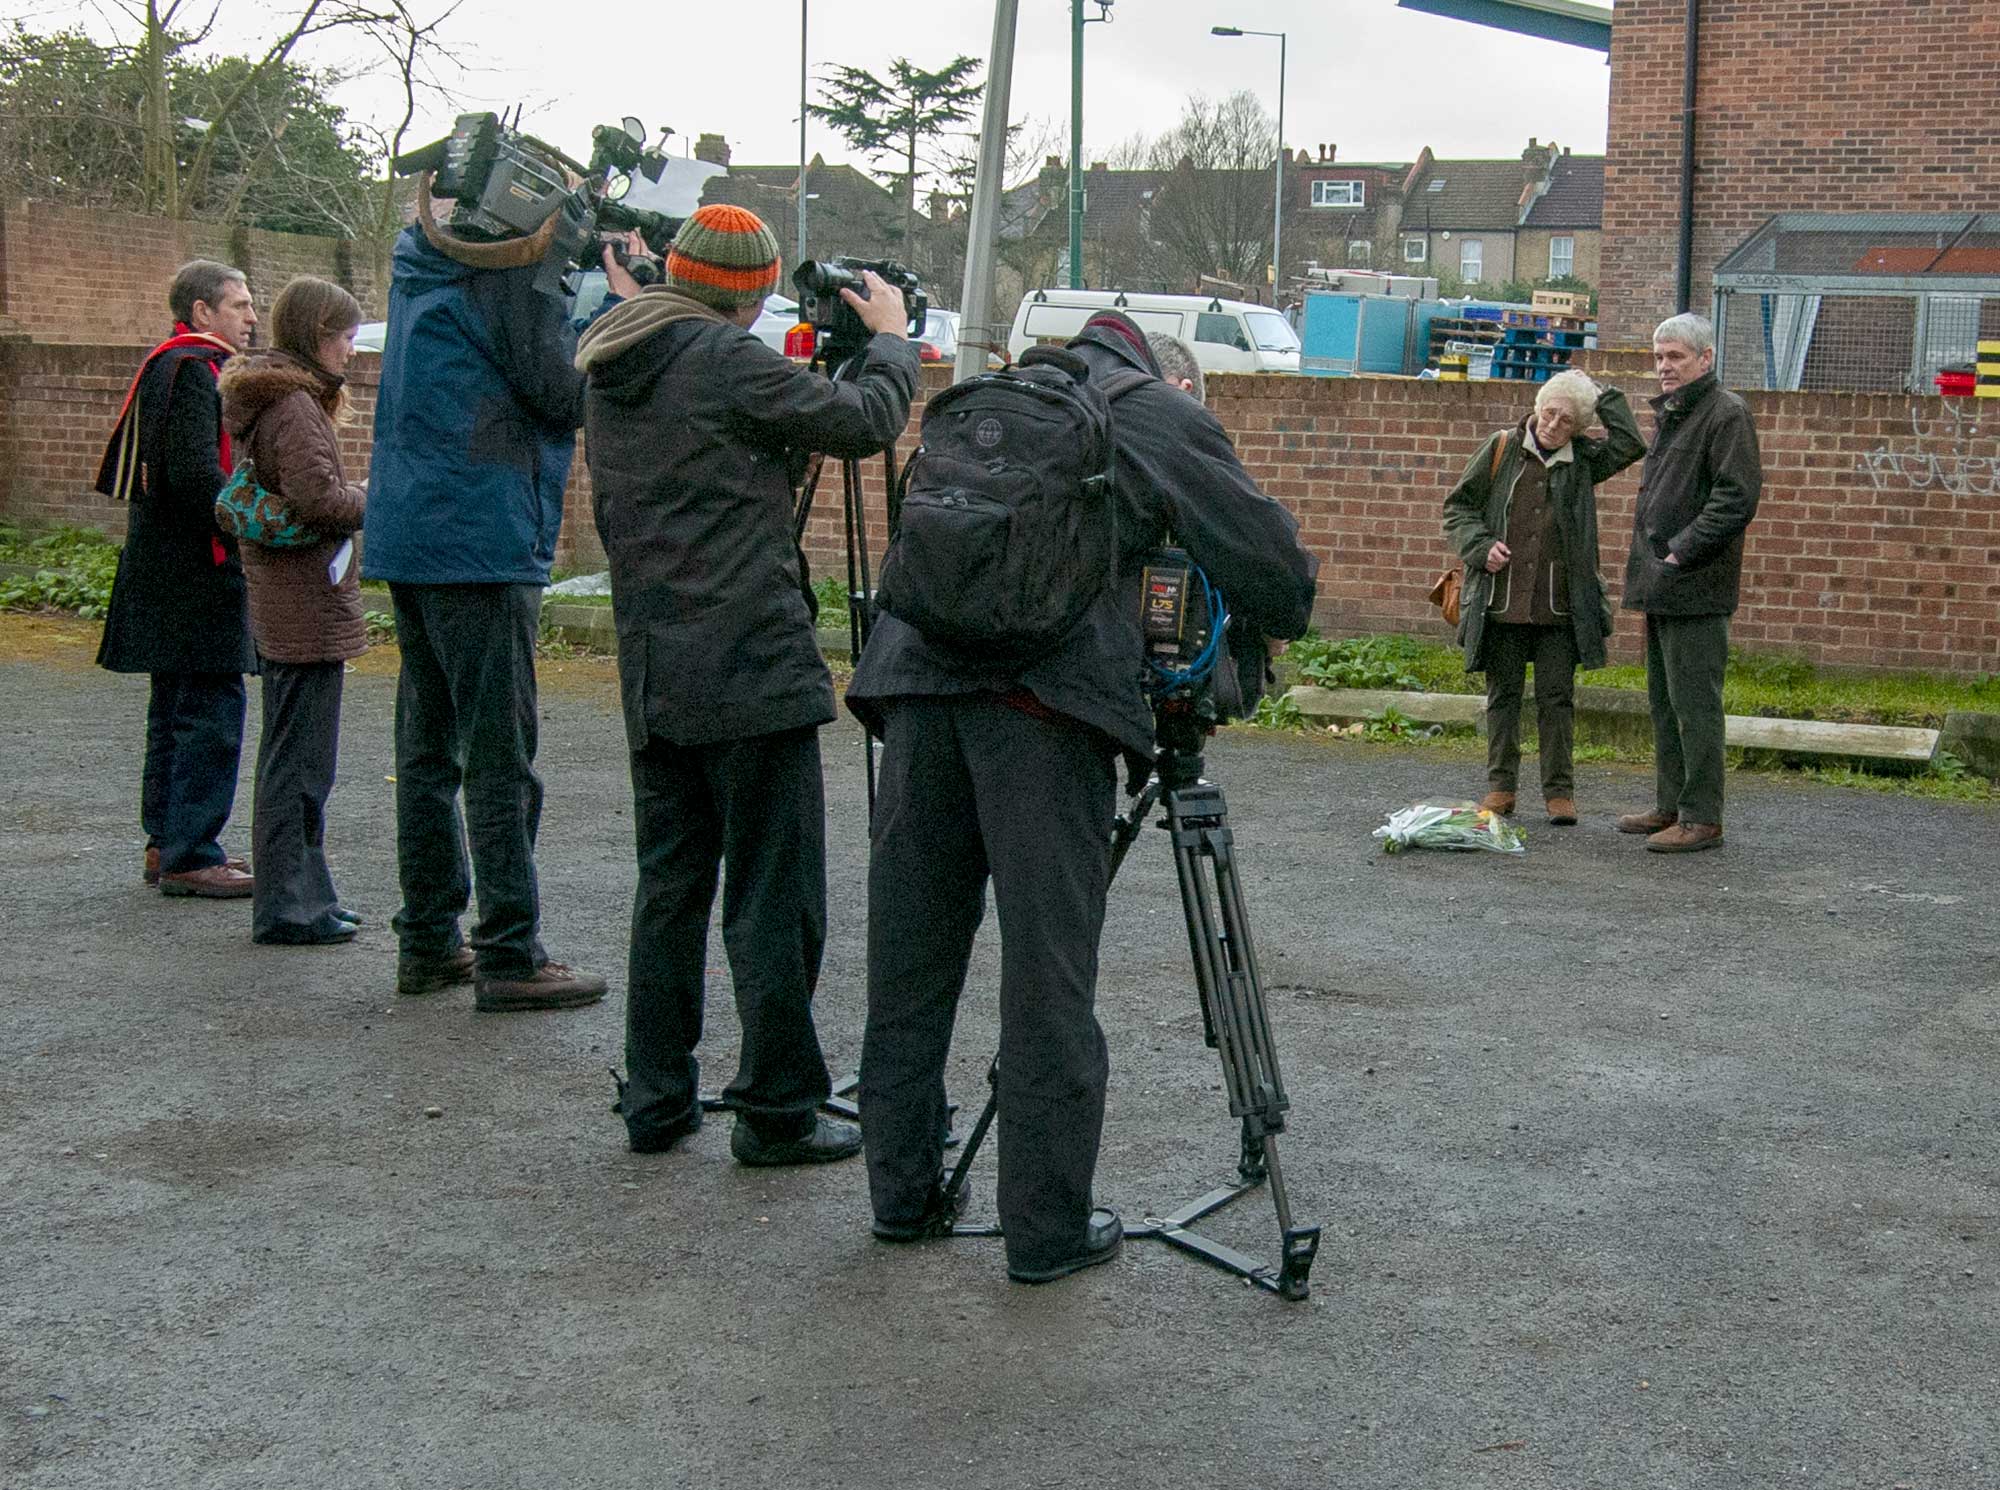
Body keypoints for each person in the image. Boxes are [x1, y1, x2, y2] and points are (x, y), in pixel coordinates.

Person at [848, 310, 1319, 1284]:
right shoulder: (1154, 413)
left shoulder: (996, 397)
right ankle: (1046, 1229)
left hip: (910, 688)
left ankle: (899, 1194)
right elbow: (1277, 569)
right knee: (1046, 974)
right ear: (1172, 375)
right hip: (1039, 712)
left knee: (909, 956)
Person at [577, 203, 918, 1166]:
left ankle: (657, 1096)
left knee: (672, 887)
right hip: (750, 664)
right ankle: (774, 1107)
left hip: (656, 664)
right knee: (774, 895)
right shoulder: (721, 360)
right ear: (753, 290)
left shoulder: (616, 360)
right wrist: (889, 341)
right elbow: (865, 423)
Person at [363, 173, 634, 1007]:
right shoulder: (505, 279)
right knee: (498, 759)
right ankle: (511, 952)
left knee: (426, 751)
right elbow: (560, 393)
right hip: (479, 535)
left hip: (414, 528)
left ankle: (430, 940)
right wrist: (616, 313)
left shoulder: (426, 269)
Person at [95, 260, 260, 899]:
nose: (251, 317)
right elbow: (196, 477)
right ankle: (193, 852)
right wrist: (250, 525)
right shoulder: (195, 370)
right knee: (209, 712)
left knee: (173, 709)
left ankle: (165, 841)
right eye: (239, 305)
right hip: (200, 569)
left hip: (166, 565)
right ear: (201, 313)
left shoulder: (170, 364)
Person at [219, 276, 370, 945]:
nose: (351, 352)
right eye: (344, 337)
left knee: (295, 759)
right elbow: (322, 502)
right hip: (305, 603)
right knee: (300, 765)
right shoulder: (298, 407)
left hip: (291, 602)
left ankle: (308, 896)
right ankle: (290, 905)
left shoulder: (275, 401)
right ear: (317, 335)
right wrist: (374, 495)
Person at [1442, 369, 1645, 825]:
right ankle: (1501, 788)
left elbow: (1632, 442)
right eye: (1550, 413)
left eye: (1567, 421)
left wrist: (1598, 392)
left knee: (1557, 699)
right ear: (1537, 408)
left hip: (1560, 607)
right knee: (1503, 697)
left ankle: (1559, 793)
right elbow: (1458, 507)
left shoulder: (1585, 460)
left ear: (1580, 427)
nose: (1554, 425)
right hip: (1502, 601)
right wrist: (1479, 546)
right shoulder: (1500, 448)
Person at [1618, 313, 1762, 853]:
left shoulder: (1725, 414)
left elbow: (1736, 498)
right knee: (1664, 701)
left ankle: (1702, 817)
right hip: (1664, 583)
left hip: (1695, 584)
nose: (1664, 367)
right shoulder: (1678, 413)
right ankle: (1670, 804)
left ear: (1706, 359)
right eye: (1658, 357)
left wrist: (1681, 550)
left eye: (1675, 356)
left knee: (1696, 704)